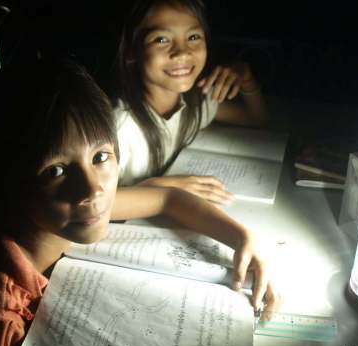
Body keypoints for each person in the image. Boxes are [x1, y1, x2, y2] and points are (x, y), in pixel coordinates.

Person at [0, 58, 277, 346]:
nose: (92, 189)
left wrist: (242, 237)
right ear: (7, 183)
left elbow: (168, 199)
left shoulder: (63, 212)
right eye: (55, 171)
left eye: (101, 157)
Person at [115, 0, 269, 204]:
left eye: (193, 37)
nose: (182, 52)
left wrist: (247, 79)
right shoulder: (118, 126)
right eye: (161, 39)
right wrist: (166, 189)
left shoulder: (196, 102)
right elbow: (84, 204)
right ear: (131, 52)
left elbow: (256, 119)